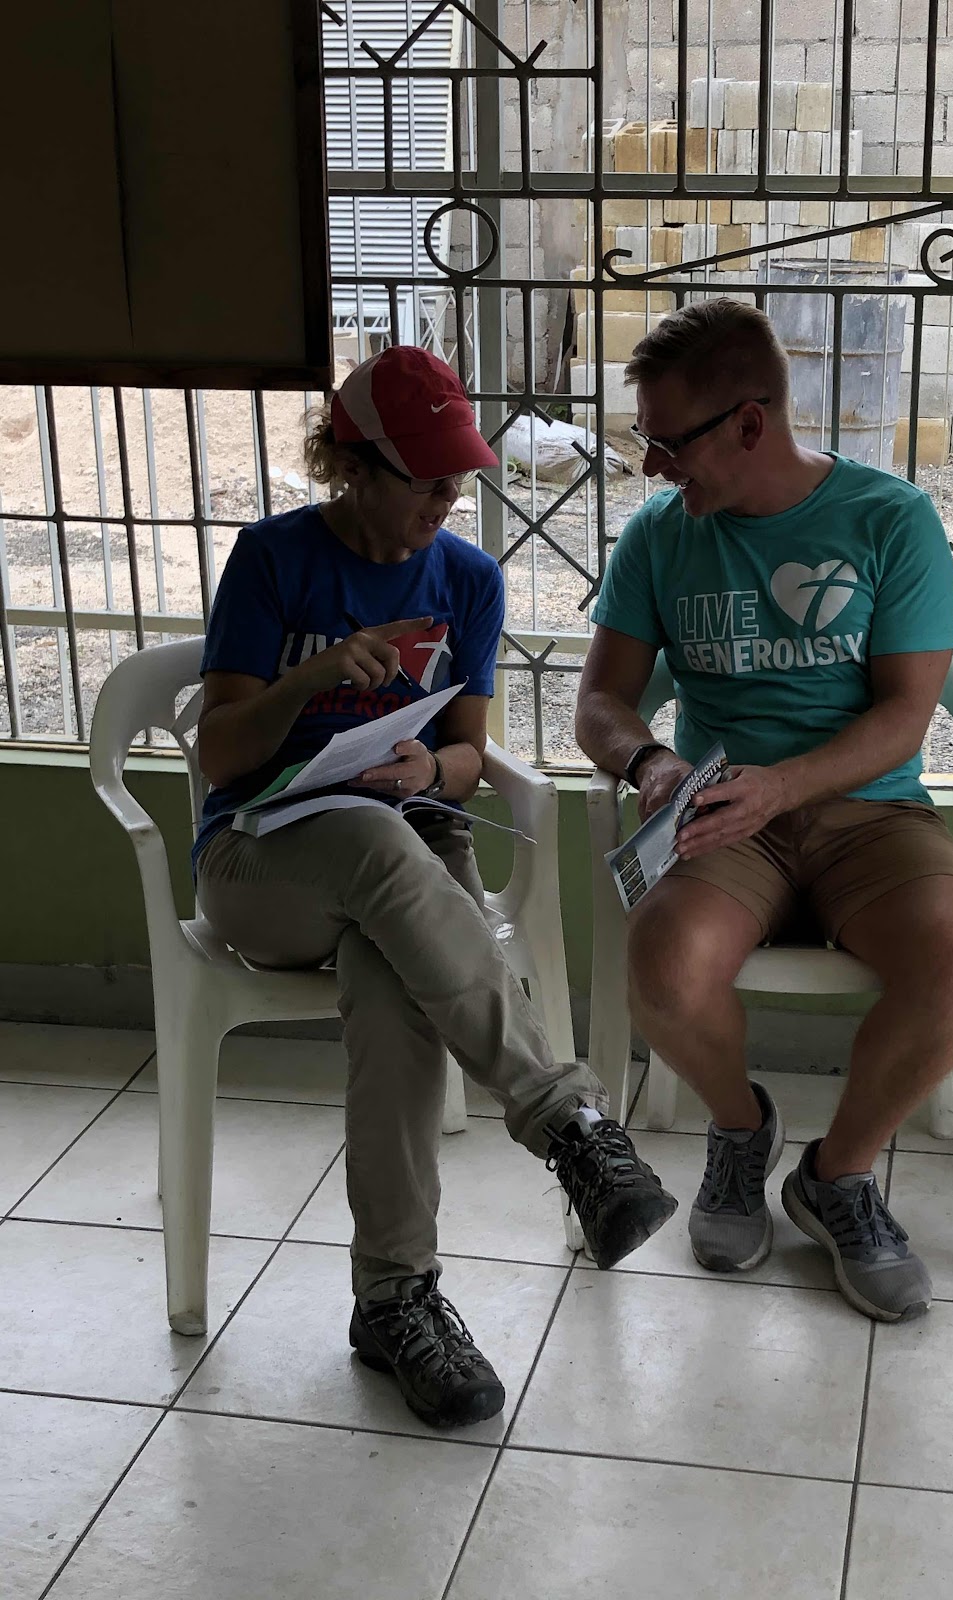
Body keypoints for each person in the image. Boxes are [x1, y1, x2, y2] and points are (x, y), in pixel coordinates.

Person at [193, 346, 676, 1427]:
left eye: (456, 478)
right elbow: (220, 757)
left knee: (394, 979)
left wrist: (430, 769)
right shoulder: (273, 560)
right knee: (372, 844)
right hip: (263, 861)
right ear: (350, 463)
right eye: (423, 478)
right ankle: (569, 1124)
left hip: (406, 857)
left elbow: (466, 755)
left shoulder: (467, 581)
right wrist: (315, 677)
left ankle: (393, 1301)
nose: (445, 499)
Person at [575, 300, 953, 1323]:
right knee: (663, 962)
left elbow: (904, 718)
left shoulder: (890, 520)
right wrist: (650, 762)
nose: (651, 466)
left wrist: (784, 784)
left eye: (668, 443)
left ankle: (836, 1177)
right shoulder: (660, 537)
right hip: (725, 821)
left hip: (870, 814)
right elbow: (599, 701)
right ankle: (739, 1131)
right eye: (645, 441)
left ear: (750, 424)